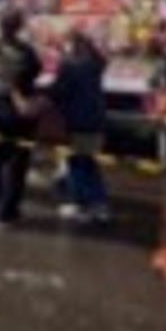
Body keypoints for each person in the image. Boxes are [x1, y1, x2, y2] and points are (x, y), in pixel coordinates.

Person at [0, 10, 42, 226]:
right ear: (18, 27)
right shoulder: (25, 51)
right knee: (16, 163)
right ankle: (7, 213)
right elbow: (36, 71)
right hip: (18, 111)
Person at [52, 30, 111, 223]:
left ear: (73, 45)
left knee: (76, 163)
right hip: (96, 120)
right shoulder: (95, 65)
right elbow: (100, 59)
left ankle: (82, 205)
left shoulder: (69, 66)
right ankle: (99, 205)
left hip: (77, 121)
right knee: (89, 162)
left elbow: (58, 91)